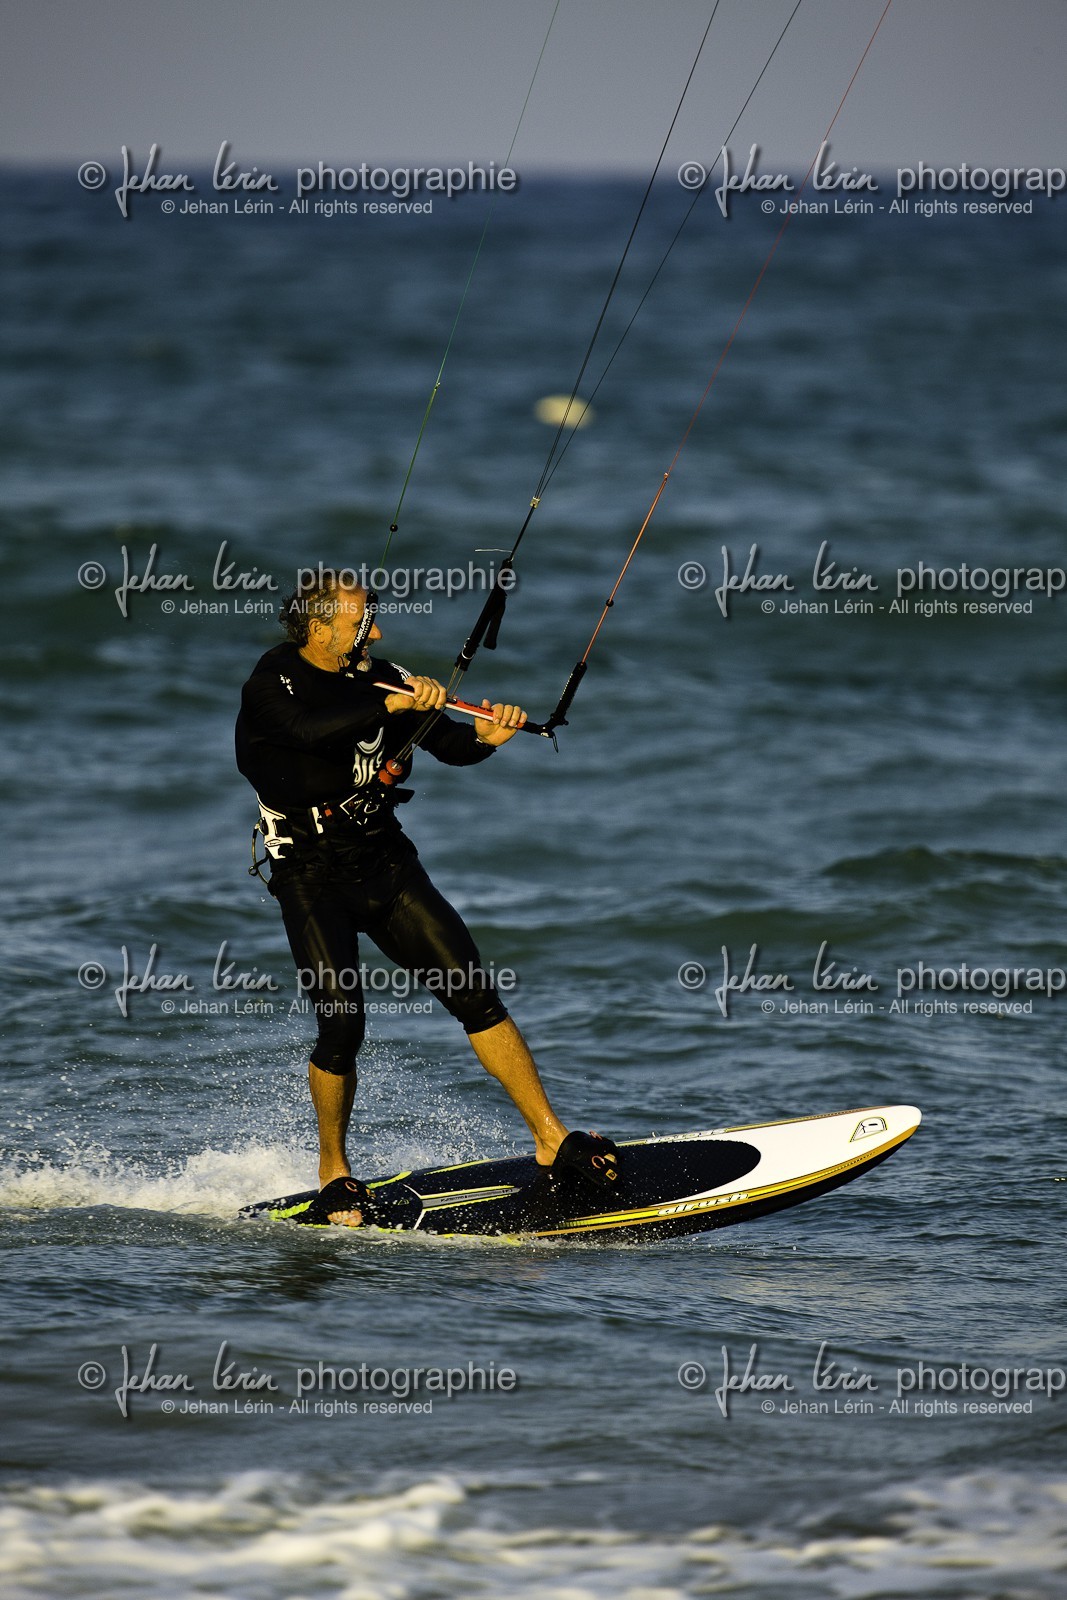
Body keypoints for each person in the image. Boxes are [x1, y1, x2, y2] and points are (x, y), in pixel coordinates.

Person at [235, 571, 619, 1225]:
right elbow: (306, 731)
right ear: (320, 627)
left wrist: (487, 740)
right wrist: (390, 704)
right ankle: (334, 1172)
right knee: (341, 1024)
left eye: (374, 617)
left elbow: (449, 746)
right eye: (362, 620)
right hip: (307, 873)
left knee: (474, 994)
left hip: (385, 865)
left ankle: (551, 1140)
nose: (376, 630)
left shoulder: (385, 677)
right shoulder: (274, 682)